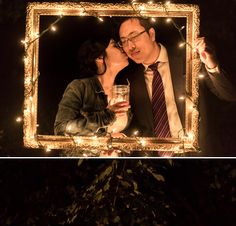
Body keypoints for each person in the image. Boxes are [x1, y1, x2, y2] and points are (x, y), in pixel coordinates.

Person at [117, 17, 236, 154]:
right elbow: (137, 127)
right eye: (124, 41)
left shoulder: (189, 59)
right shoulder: (130, 81)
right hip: (161, 163)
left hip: (201, 154)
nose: (130, 46)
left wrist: (211, 64)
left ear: (151, 34)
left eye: (134, 36)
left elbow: (229, 95)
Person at [54, 37, 130, 136]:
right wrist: (107, 116)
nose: (123, 48)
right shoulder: (80, 87)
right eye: (115, 45)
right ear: (99, 58)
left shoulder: (123, 89)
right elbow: (61, 130)